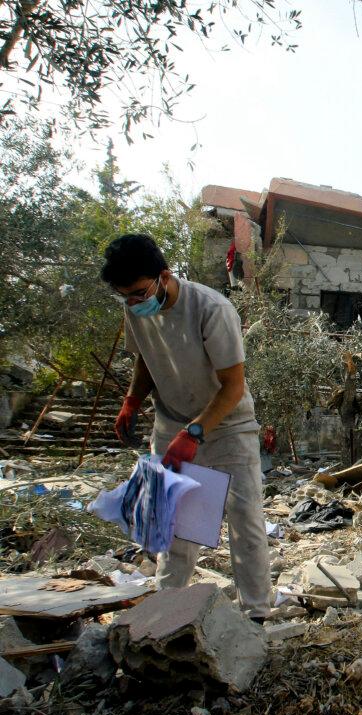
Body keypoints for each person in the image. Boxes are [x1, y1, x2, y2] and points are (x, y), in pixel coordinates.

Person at [101, 233, 271, 621]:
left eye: (140, 293)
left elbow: (233, 387)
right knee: (176, 522)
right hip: (171, 420)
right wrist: (132, 400)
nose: (134, 303)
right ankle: (164, 608)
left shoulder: (211, 309)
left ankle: (257, 615)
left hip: (229, 426)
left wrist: (194, 434)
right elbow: (145, 359)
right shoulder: (135, 306)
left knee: (244, 521)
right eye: (125, 297)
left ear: (164, 276)